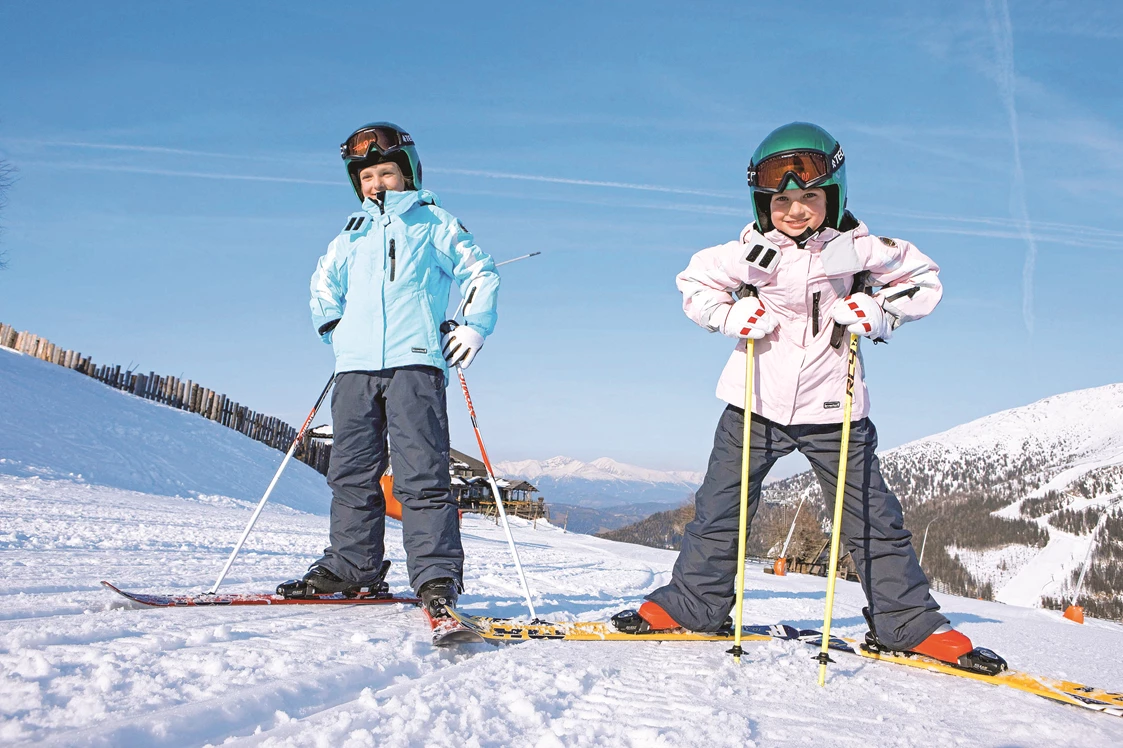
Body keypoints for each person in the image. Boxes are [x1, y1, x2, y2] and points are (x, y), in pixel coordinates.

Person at [613, 122, 975, 664]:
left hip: (837, 409)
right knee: (720, 510)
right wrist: (732, 313)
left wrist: (878, 311)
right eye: (780, 199)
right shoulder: (753, 252)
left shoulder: (861, 250)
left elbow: (924, 280)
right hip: (754, 402)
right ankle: (693, 605)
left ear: (834, 194)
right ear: (763, 203)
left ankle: (907, 624)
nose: (795, 210)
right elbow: (693, 282)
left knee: (870, 517)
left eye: (809, 196)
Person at [278, 122, 500, 619]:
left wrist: (474, 327)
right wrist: (336, 329)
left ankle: (435, 576)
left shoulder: (433, 221)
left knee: (421, 474)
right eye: (366, 176)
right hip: (354, 369)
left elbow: (480, 271)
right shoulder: (349, 234)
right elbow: (322, 284)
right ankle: (353, 567)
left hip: (415, 362)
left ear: (409, 175)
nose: (376, 183)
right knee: (351, 473)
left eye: (386, 173)